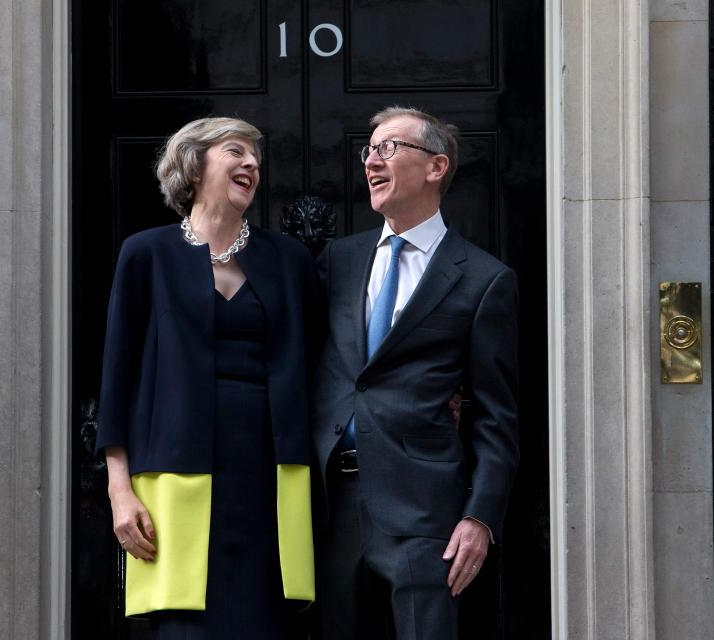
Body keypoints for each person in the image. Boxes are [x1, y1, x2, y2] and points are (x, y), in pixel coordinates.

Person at [95, 117, 317, 639]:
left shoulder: (289, 260)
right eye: (236, 152)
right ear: (194, 165)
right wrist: (118, 491)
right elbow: (116, 378)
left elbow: (328, 360)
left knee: (268, 622)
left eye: (255, 158)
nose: (252, 165)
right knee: (184, 626)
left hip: (270, 478)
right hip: (174, 477)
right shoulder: (146, 253)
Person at [312, 107, 519, 640]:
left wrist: (480, 518)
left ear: (435, 167)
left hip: (425, 514)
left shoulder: (484, 279)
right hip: (330, 509)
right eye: (369, 150)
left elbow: (498, 417)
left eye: (389, 148)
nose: (372, 162)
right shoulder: (338, 260)